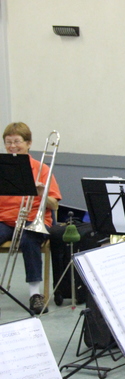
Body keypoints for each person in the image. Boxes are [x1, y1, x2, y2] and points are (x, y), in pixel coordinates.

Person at [0, 122, 62, 314]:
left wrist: (42, 194)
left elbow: (55, 205)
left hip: (34, 220)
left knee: (28, 240)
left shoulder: (41, 168)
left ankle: (35, 294)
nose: (12, 146)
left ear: (28, 143)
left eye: (17, 141)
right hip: (5, 220)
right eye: (8, 142)